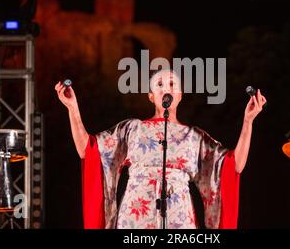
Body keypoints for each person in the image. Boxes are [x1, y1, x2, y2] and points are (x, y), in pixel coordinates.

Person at [55, 69, 266, 229]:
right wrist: (72, 108)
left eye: (173, 83)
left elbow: (234, 164)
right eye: (160, 84)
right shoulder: (132, 129)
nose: (167, 88)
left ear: (180, 95)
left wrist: (248, 121)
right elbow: (88, 150)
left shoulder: (193, 136)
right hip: (135, 215)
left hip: (178, 216)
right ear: (151, 95)